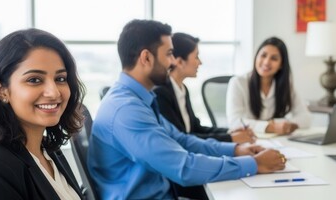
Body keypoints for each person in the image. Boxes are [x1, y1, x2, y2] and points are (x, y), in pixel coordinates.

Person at [87, 19, 286, 200]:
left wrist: (236, 149)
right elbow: (184, 167)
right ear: (146, 58)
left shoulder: (139, 99)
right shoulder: (126, 110)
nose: (174, 62)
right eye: (169, 54)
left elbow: (181, 140)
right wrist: (254, 164)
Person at [0, 29, 86, 200]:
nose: (54, 92)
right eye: (34, 80)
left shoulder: (49, 151)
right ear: (2, 90)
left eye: (60, 79)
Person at [154, 32, 255, 143]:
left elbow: (197, 128)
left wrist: (230, 132)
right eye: (196, 56)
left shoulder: (182, 89)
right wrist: (230, 138)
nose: (200, 62)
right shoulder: (161, 93)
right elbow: (183, 139)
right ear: (179, 62)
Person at [226, 36, 312, 135]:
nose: (266, 62)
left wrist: (288, 124)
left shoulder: (286, 85)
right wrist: (270, 127)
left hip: (277, 141)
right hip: (247, 141)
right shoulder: (238, 83)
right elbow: (235, 121)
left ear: (281, 65)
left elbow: (306, 117)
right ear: (256, 57)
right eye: (263, 55)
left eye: (274, 58)